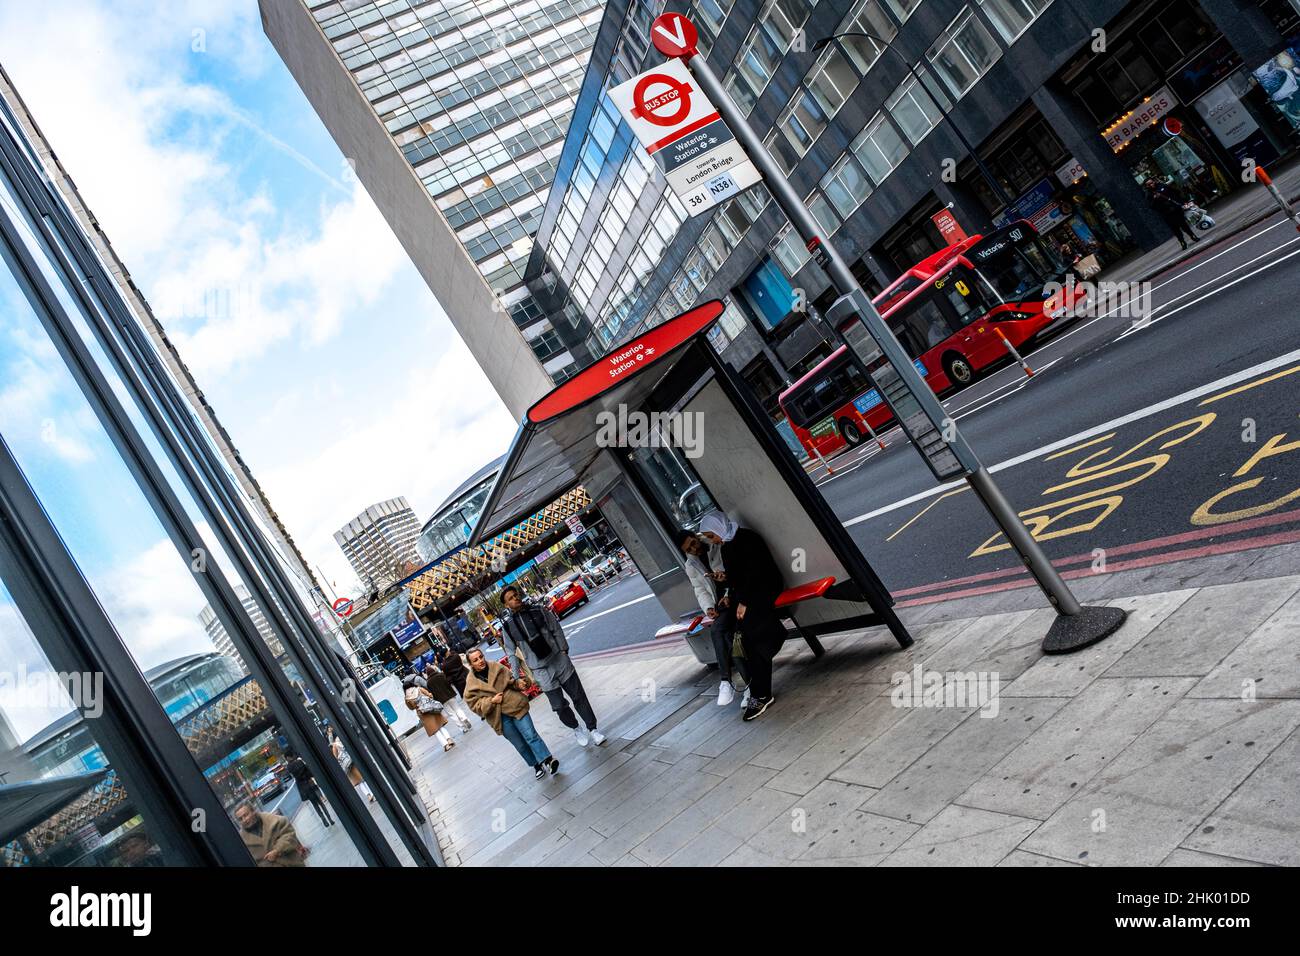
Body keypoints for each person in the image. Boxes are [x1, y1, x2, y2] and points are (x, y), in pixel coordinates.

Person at [698, 512, 786, 722]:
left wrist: (744, 601)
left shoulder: (747, 539)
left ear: (720, 528)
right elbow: (739, 576)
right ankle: (759, 691)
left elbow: (757, 572)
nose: (713, 540)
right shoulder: (728, 546)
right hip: (748, 595)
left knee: (752, 638)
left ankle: (760, 694)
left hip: (764, 588)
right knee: (745, 638)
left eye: (712, 535)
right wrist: (727, 586)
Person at [497, 584, 606, 747]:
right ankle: (576, 728)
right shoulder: (507, 627)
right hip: (541, 671)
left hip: (559, 660)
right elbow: (511, 652)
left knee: (579, 696)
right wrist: (515, 676)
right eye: (510, 598)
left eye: (516, 595)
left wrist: (563, 650)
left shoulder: (539, 610)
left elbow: (555, 628)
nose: (515, 599)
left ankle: (593, 729)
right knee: (559, 706)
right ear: (506, 605)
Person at [462, 647, 559, 779]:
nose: (480, 661)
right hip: (498, 717)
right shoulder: (470, 683)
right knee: (520, 744)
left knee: (531, 735)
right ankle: (536, 764)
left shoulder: (496, 667)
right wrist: (491, 701)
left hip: (514, 705)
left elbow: (512, 681)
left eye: (481, 657)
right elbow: (475, 706)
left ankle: (548, 760)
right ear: (470, 664)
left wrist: (519, 684)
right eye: (475, 660)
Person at [680, 527, 749, 708]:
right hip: (721, 604)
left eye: (693, 543)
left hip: (736, 594)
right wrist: (709, 608)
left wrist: (725, 586)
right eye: (688, 549)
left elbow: (734, 571)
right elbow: (700, 589)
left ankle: (726, 681)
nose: (694, 550)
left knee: (718, 630)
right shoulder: (690, 564)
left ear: (696, 536)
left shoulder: (715, 543)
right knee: (727, 637)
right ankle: (749, 686)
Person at [234, 801, 307, 867]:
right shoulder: (242, 842)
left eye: (246, 815)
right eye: (240, 819)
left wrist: (277, 850)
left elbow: (289, 834)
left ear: (253, 811)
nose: (244, 820)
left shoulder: (275, 821)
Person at [403, 674, 457, 752]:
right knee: (440, 725)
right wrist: (428, 697)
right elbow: (430, 695)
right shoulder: (419, 689)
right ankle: (449, 740)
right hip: (431, 709)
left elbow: (411, 708)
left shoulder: (407, 698)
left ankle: (445, 745)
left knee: (435, 730)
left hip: (422, 713)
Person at [1144, 178, 1199, 250]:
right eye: (1149, 184)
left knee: (1183, 224)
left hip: (1175, 209)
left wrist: (1183, 202)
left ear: (1154, 181)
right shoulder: (1149, 194)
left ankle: (1193, 236)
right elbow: (1151, 206)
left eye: (1152, 182)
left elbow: (1176, 193)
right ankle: (1182, 242)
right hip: (1166, 214)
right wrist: (1154, 199)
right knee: (1175, 229)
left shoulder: (1162, 186)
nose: (1151, 185)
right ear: (1147, 186)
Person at [421, 659, 474, 732]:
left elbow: (432, 693)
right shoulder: (441, 675)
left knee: (452, 714)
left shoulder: (428, 683)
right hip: (450, 695)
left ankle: (463, 728)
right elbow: (448, 683)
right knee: (457, 708)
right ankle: (464, 718)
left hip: (442, 700)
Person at [285, 751, 334, 828]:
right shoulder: (299, 762)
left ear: (287, 758)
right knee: (320, 802)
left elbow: (296, 776)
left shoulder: (289, 767)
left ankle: (324, 820)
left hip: (304, 787)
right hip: (310, 783)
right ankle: (330, 819)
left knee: (315, 804)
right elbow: (309, 772)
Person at [328, 726, 375, 803]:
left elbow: (335, 757)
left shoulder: (334, 745)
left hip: (346, 765)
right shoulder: (342, 738)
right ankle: (372, 793)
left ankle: (368, 795)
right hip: (352, 760)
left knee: (358, 781)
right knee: (363, 777)